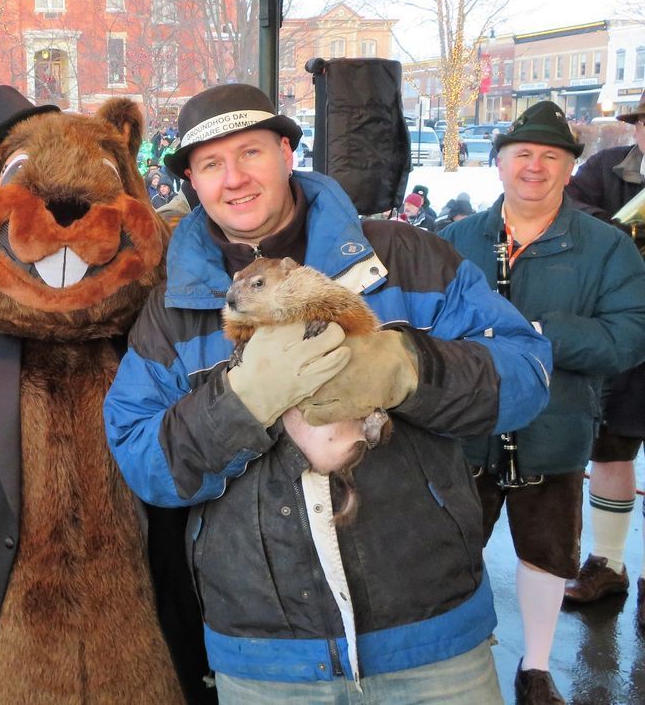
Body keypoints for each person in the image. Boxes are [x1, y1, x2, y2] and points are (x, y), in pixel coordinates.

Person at [104, 83, 552, 703]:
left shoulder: (406, 258)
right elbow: (141, 460)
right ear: (192, 182)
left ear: (287, 151)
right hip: (265, 659)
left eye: (251, 152)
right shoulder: (169, 314)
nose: (234, 178)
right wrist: (238, 405)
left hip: (431, 639)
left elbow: (528, 373)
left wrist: (407, 367)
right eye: (211, 164)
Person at [440, 101, 645, 703]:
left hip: (555, 431)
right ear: (499, 164)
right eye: (522, 155)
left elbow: (629, 335)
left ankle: (536, 667)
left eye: (550, 157)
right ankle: (463, 659)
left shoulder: (607, 248)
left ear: (567, 168)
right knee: (452, 553)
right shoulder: (456, 239)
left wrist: (540, 331)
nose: (535, 167)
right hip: (465, 432)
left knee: (548, 554)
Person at [561, 89, 645, 627]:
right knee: (612, 445)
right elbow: (569, 204)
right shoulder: (605, 168)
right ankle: (607, 563)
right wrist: (623, 228)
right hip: (623, 324)